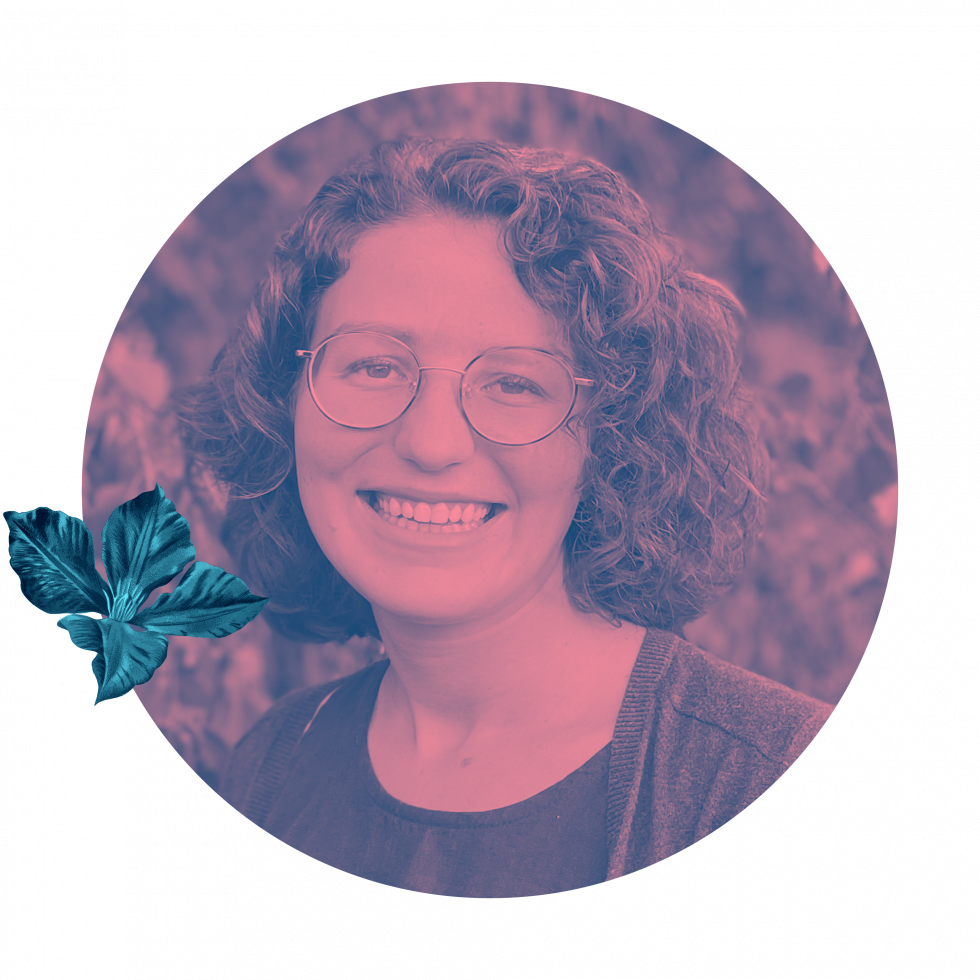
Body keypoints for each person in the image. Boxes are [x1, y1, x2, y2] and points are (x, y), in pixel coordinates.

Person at [178, 137, 834, 897]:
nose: (431, 443)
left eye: (515, 383)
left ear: (613, 438)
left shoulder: (760, 772)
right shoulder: (275, 761)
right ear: (282, 403)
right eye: (375, 366)